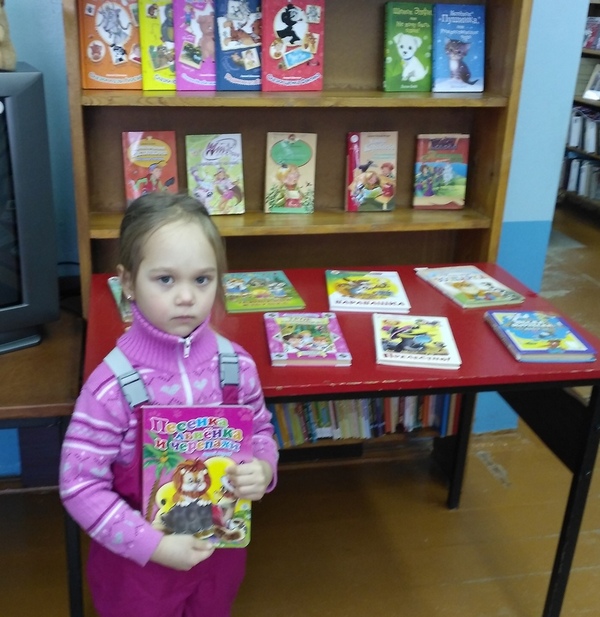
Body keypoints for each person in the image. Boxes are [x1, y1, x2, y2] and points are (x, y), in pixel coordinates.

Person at [59, 193, 278, 617]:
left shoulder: (236, 366)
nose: (186, 297)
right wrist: (154, 546)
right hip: (138, 570)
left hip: (218, 560)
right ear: (127, 283)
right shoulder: (110, 388)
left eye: (202, 279)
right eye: (165, 279)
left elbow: (261, 432)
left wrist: (264, 469)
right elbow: (79, 486)